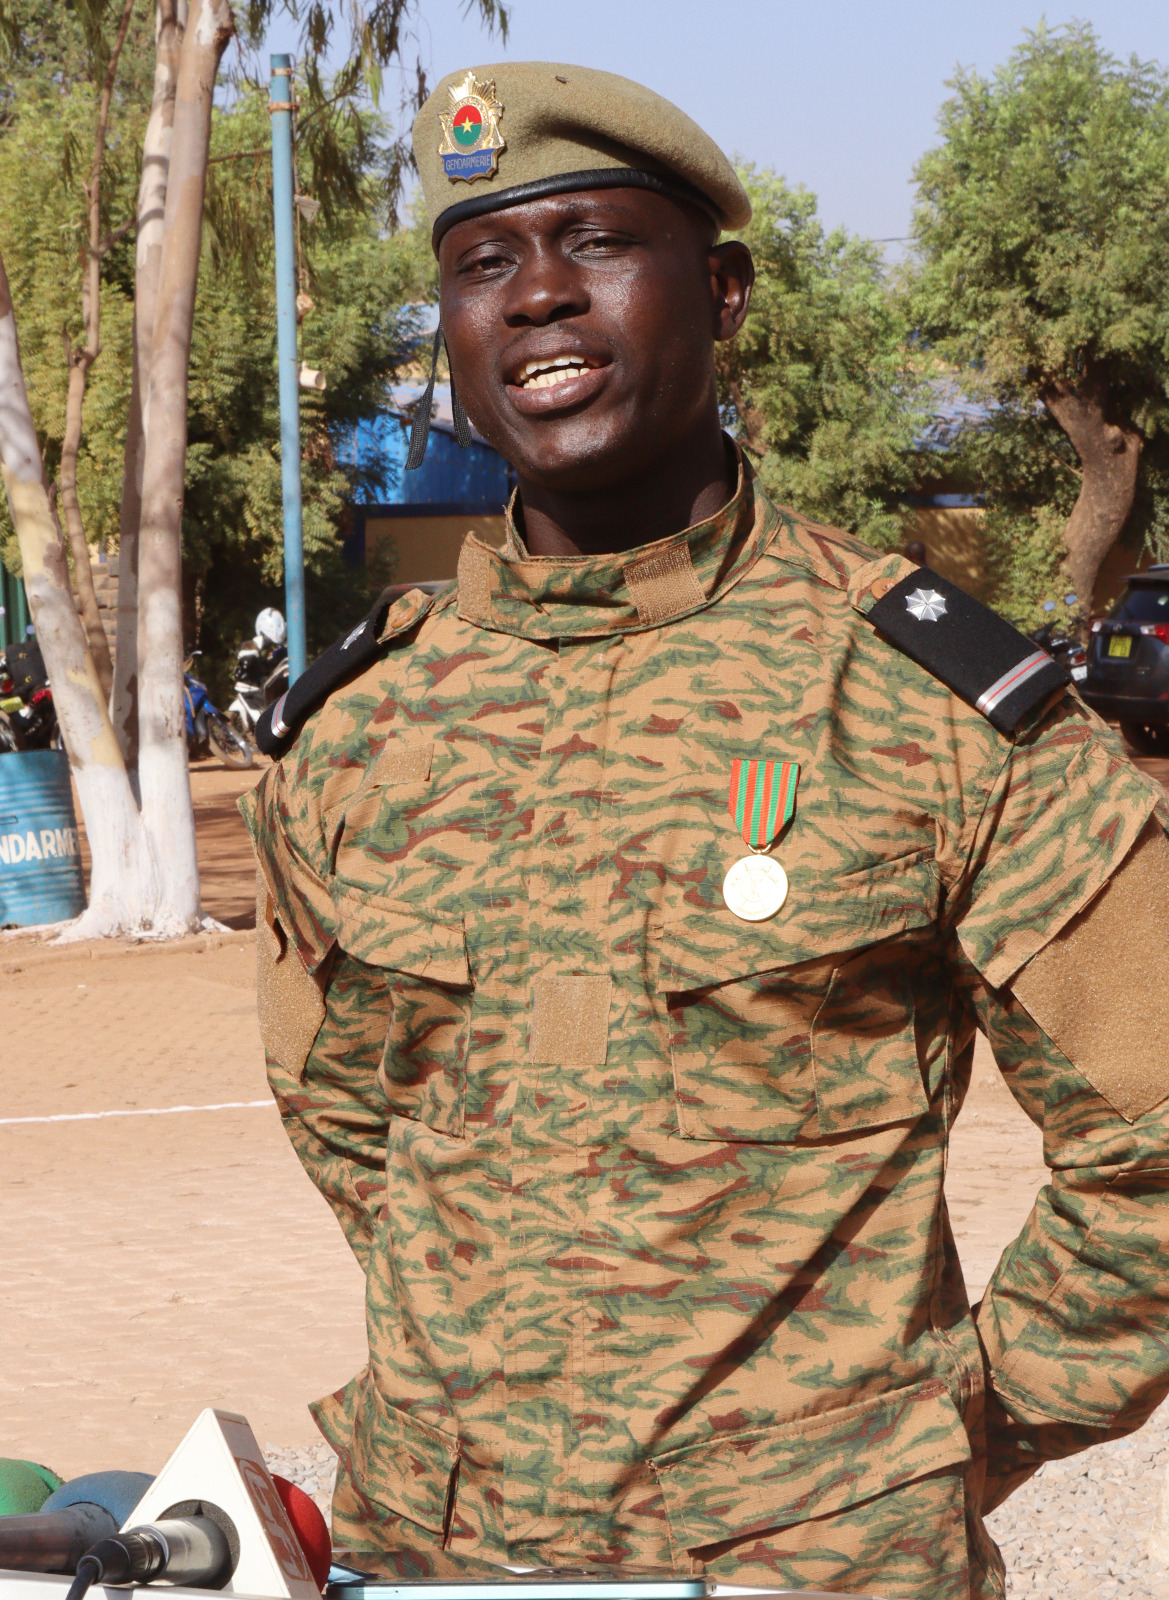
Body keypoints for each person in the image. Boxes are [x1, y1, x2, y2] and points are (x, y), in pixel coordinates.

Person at [242, 62, 1169, 1600]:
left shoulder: (925, 695)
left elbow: (1154, 1129)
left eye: (598, 242)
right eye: (483, 264)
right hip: (432, 1550)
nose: (537, 296)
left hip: (814, 1566)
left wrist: (945, 1431)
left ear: (723, 293)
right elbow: (349, 1125)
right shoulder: (358, 726)